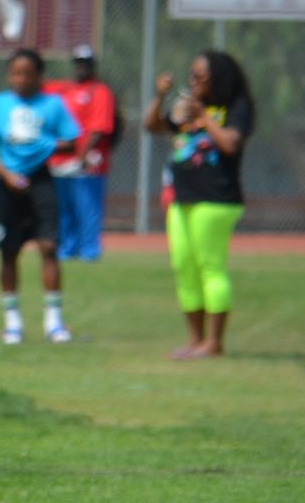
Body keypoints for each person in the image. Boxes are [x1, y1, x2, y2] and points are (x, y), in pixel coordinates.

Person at [143, 50, 254, 360]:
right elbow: (153, 126)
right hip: (182, 198)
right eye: (191, 75)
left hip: (216, 199)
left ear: (218, 77)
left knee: (210, 266)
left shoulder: (236, 106)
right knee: (184, 267)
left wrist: (204, 117)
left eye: (199, 76)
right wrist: (160, 97)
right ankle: (196, 340)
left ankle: (214, 343)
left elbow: (230, 144)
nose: (193, 81)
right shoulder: (187, 106)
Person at [0, 48, 80, 345]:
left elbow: (71, 141)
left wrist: (41, 144)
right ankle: (12, 323)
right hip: (7, 183)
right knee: (8, 252)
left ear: (39, 76)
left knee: (49, 246)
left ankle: (54, 322)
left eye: (27, 74)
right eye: (15, 73)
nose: (21, 79)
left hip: (41, 181)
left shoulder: (52, 104)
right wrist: (7, 174)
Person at [44, 45, 118, 262]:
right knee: (63, 208)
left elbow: (99, 127)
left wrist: (81, 156)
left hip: (87, 162)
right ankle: (66, 249)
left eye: (85, 63)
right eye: (78, 62)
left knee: (87, 207)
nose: (81, 67)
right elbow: (38, 88)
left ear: (92, 65)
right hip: (60, 161)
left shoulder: (100, 91)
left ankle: (89, 251)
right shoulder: (64, 89)